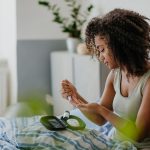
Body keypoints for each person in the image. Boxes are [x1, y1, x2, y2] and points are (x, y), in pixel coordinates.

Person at [61, 8, 150, 149]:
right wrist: (75, 98)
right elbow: (100, 119)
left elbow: (138, 134)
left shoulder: (148, 81)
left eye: (102, 50)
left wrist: (101, 110)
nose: (100, 57)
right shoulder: (115, 75)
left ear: (119, 46)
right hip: (114, 142)